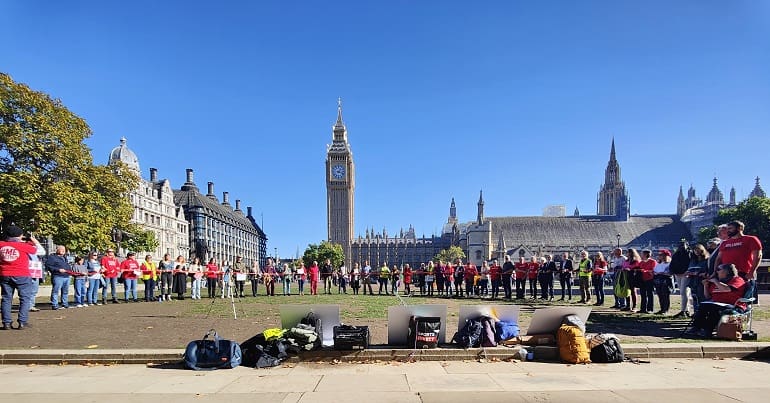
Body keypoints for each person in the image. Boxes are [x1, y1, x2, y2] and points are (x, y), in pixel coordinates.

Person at [685, 263, 747, 338]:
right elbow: (707, 296)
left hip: (733, 305)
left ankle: (707, 330)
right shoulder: (717, 281)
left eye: (719, 269)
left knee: (714, 309)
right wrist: (706, 286)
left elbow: (727, 289)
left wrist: (716, 282)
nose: (716, 272)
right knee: (703, 306)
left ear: (726, 271)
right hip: (717, 303)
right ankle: (696, 328)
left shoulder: (737, 279)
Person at [0, 226, 39, 329]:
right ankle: (22, 321)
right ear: (19, 235)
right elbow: (38, 251)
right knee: (25, 298)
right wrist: (34, 241)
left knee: (6, 299)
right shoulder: (23, 246)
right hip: (22, 274)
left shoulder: (1, 245)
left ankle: (6, 322)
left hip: (5, 273)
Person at [685, 244, 710, 315]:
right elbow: (689, 269)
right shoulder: (693, 260)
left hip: (701, 282)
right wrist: (688, 273)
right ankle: (696, 313)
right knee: (694, 298)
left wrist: (700, 274)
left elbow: (708, 272)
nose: (696, 252)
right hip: (693, 282)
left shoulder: (707, 260)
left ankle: (703, 314)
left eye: (698, 250)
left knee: (702, 298)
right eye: (695, 250)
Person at [670, 241, 692, 318]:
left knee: (684, 292)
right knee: (683, 293)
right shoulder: (676, 254)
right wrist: (673, 271)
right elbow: (672, 263)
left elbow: (690, 263)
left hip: (685, 274)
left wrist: (687, 272)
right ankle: (686, 309)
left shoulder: (689, 253)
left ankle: (684, 310)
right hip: (677, 274)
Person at [46, 245, 71, 309]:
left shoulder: (65, 258)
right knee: (56, 291)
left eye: (64, 249)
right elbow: (48, 266)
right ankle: (54, 304)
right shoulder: (52, 257)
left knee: (65, 291)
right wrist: (58, 269)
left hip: (66, 276)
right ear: (57, 249)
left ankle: (65, 303)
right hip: (58, 276)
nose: (63, 251)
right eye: (61, 249)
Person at [653, 249, 673, 315]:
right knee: (660, 295)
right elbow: (655, 271)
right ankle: (662, 309)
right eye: (659, 255)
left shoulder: (670, 264)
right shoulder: (659, 264)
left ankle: (665, 310)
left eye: (661, 255)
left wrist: (662, 273)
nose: (659, 256)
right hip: (658, 281)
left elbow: (670, 273)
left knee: (665, 295)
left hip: (665, 281)